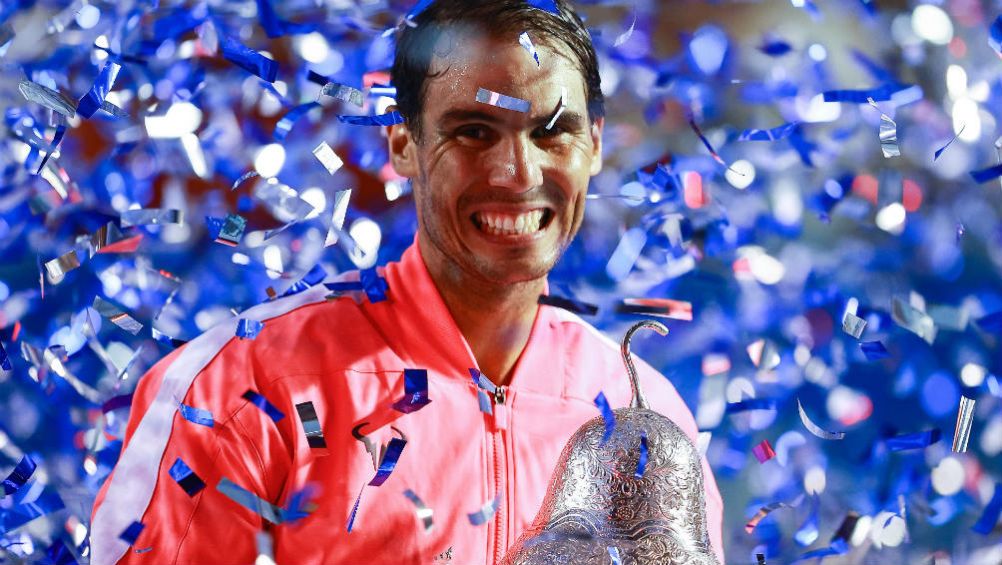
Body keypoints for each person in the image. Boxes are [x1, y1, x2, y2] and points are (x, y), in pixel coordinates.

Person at [90, 1, 725, 563]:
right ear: (403, 144)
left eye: (551, 131)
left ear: (594, 145)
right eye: (474, 132)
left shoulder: (648, 418)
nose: (518, 173)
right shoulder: (242, 389)